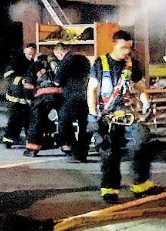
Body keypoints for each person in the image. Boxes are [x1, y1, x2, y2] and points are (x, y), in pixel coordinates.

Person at [87, 30, 157, 203]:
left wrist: (145, 101)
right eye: (123, 47)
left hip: (127, 114)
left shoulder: (131, 65)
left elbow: (139, 86)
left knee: (141, 143)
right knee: (109, 153)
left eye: (129, 48)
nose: (126, 51)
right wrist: (92, 115)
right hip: (107, 115)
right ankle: (110, 189)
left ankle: (141, 184)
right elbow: (92, 89)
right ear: (114, 44)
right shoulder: (101, 63)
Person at [54, 42, 91, 161]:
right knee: (83, 124)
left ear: (60, 52)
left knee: (64, 120)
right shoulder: (85, 60)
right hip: (86, 95)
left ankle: (70, 146)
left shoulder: (65, 62)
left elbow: (57, 81)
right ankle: (82, 152)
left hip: (71, 95)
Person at [24, 53, 63, 156]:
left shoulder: (35, 66)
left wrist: (30, 99)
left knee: (36, 120)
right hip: (59, 95)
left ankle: (32, 148)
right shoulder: (58, 64)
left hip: (42, 96)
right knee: (63, 119)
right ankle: (66, 145)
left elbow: (28, 85)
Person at [2, 42, 37, 148]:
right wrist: (21, 80)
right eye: (29, 54)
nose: (31, 56)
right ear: (25, 51)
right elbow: (8, 74)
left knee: (29, 119)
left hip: (29, 94)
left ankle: (30, 140)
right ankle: (8, 139)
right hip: (17, 94)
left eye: (33, 54)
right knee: (15, 117)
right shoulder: (17, 60)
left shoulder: (35, 62)